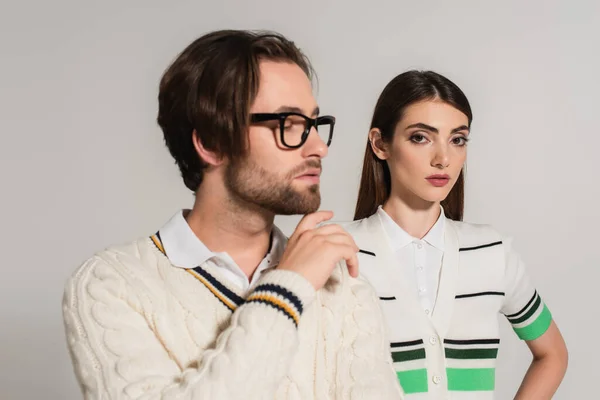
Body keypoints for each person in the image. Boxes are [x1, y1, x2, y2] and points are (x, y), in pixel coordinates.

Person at [62, 30, 403, 399]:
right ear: (210, 143)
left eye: (314, 123)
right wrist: (287, 288)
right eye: (290, 124)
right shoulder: (113, 285)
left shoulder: (340, 283)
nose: (319, 147)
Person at [342, 70, 568, 399]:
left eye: (457, 139)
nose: (443, 159)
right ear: (380, 144)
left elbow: (553, 355)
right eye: (421, 137)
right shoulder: (338, 250)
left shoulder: (491, 252)